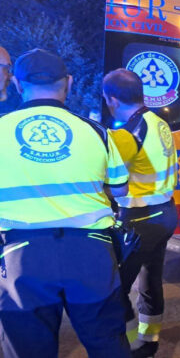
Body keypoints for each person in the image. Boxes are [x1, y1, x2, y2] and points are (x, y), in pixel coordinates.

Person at [0, 49, 131, 357]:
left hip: (20, 257)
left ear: (18, 84)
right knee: (107, 344)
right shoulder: (97, 132)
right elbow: (121, 189)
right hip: (91, 252)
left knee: (27, 349)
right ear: (69, 83)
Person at [103, 68, 178, 357]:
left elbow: (113, 186)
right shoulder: (158, 121)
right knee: (150, 278)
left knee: (116, 288)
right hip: (165, 213)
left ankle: (133, 345)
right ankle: (150, 338)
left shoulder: (125, 134)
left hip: (139, 219)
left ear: (112, 99)